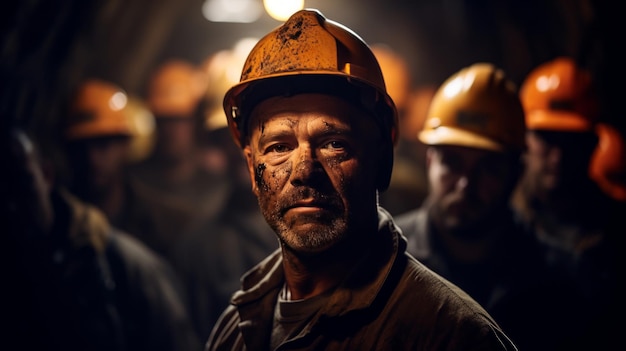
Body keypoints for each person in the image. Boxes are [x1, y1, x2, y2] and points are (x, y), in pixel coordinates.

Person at [205, 9, 517, 351]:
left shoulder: (451, 336)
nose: (304, 170)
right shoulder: (237, 327)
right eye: (279, 147)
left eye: (334, 144)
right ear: (253, 168)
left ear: (382, 157)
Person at [393, 62, 594, 350]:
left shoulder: (561, 281)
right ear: (429, 161)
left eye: (487, 167)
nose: (465, 184)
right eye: (452, 162)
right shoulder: (384, 260)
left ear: (515, 172)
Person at [1, 126, 201, 351]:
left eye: (23, 182)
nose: (12, 204)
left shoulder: (121, 260)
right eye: (3, 189)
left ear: (47, 174)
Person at [513, 56, 625, 348]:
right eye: (546, 138)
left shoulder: (616, 229)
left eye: (570, 140)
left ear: (591, 144)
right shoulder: (496, 222)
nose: (558, 156)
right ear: (522, 140)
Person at [171, 47, 277, 342]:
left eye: (259, 132)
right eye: (233, 136)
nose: (247, 148)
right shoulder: (199, 249)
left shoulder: (330, 230)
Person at [62, 79, 195, 264]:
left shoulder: (167, 225)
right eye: (81, 147)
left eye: (103, 144)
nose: (92, 158)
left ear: (125, 146)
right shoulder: (56, 224)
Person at [129, 59, 229, 224]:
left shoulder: (218, 189)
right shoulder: (135, 186)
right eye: (163, 120)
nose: (170, 130)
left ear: (196, 122)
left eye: (179, 119)